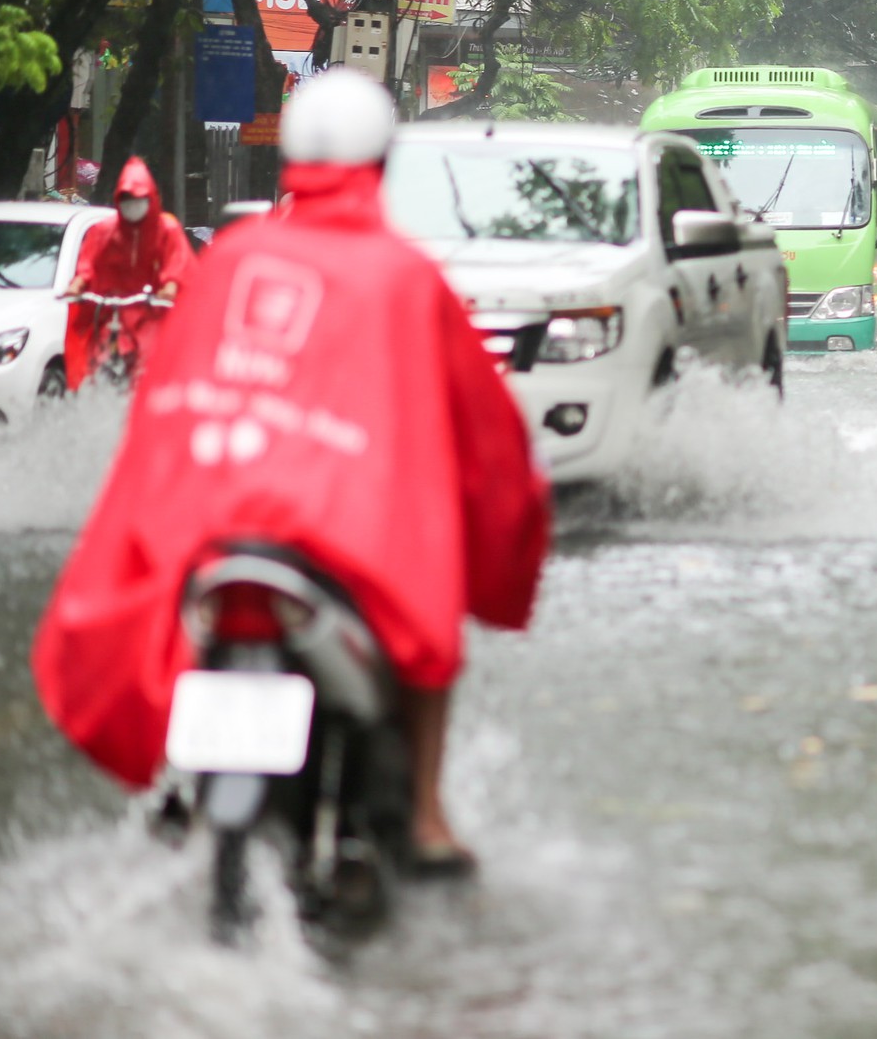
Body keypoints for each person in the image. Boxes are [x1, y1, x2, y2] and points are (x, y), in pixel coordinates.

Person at [32, 69, 549, 873]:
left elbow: (165, 403)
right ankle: (422, 815)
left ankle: (178, 788)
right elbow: (490, 447)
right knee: (430, 614)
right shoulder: (406, 275)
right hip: (338, 541)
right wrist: (503, 556)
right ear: (383, 163)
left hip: (213, 528)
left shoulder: (234, 254)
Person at [63, 156, 194, 389]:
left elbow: (176, 262)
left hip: (151, 312)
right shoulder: (105, 230)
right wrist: (79, 283)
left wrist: (170, 285)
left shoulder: (167, 229)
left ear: (151, 199)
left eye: (138, 199)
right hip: (111, 312)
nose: (132, 204)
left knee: (157, 363)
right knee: (95, 356)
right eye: (126, 199)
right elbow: (88, 262)